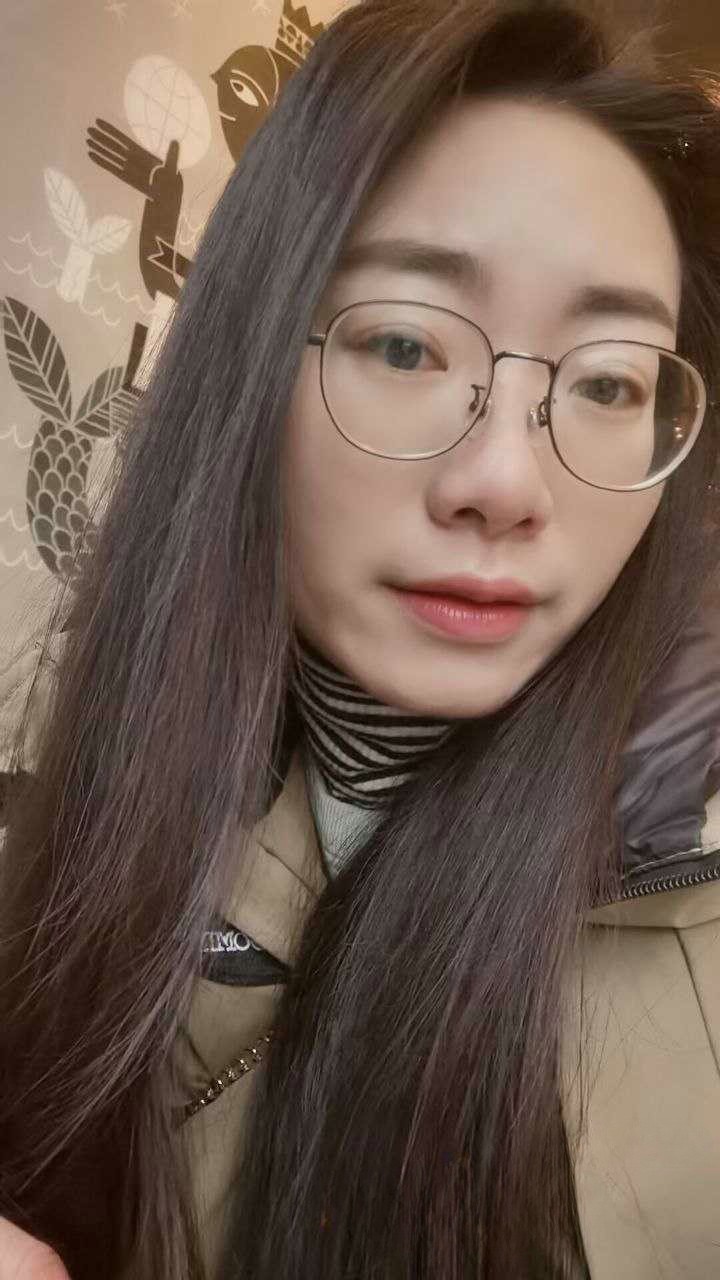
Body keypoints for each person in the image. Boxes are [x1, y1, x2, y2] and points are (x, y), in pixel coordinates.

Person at [1, 1, 719, 1277]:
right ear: (249, 372)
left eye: (610, 380)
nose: (505, 481)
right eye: (403, 343)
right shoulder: (77, 839)